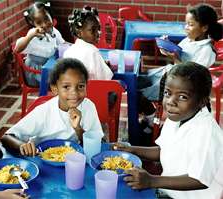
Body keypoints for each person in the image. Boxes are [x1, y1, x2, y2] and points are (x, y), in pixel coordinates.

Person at [111, 62, 223, 199]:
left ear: (202, 101)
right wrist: (131, 150)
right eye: (168, 93)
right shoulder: (177, 116)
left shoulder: (207, 133)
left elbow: (199, 179)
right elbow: (164, 150)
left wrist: (152, 181)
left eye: (182, 96)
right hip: (167, 190)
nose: (171, 102)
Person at [137, 3, 222, 138]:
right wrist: (167, 48)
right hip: (171, 73)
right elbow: (180, 55)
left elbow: (192, 76)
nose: (186, 28)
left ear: (204, 27)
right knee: (137, 82)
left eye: (190, 25)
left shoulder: (206, 51)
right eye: (186, 23)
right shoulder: (189, 40)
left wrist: (176, 59)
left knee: (141, 96)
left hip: (180, 85)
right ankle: (149, 120)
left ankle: (151, 123)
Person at [1, 58, 104, 157]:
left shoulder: (88, 106)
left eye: (80, 86)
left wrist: (78, 128)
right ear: (54, 89)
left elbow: (95, 144)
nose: (74, 92)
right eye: (66, 87)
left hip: (69, 161)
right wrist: (22, 145)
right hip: (39, 159)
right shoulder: (44, 111)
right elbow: (6, 137)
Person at [64, 5, 116, 106]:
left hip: (71, 99)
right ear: (79, 32)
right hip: (90, 99)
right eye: (93, 30)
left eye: (99, 28)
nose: (98, 33)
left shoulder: (68, 51)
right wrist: (105, 66)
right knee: (113, 93)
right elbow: (104, 79)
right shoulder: (93, 52)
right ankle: (99, 120)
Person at [15, 1, 70, 87]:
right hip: (35, 72)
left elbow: (62, 43)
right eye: (39, 23)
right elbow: (17, 48)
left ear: (50, 15)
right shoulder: (33, 35)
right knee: (66, 81)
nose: (45, 24)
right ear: (33, 23)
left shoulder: (53, 31)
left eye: (46, 18)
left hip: (48, 66)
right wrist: (30, 36)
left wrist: (77, 46)